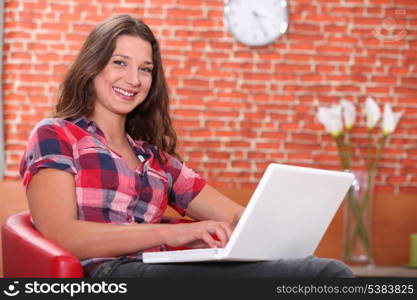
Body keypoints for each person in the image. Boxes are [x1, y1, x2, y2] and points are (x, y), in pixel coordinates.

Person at [19, 14, 353, 278]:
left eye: (145, 69)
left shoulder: (156, 159)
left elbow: (237, 216)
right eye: (120, 62)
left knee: (319, 271)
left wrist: (279, 222)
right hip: (109, 275)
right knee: (322, 274)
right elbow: (63, 235)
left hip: (156, 270)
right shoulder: (58, 135)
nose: (134, 79)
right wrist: (168, 235)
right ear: (93, 66)